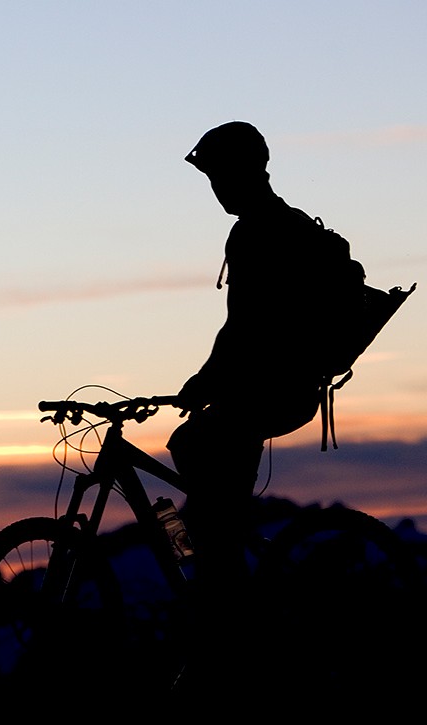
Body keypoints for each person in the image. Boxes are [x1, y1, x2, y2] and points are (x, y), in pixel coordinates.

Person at [167, 122, 344, 688]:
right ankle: (227, 563)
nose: (216, 190)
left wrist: (202, 381)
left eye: (219, 177)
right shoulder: (283, 224)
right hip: (283, 387)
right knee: (204, 472)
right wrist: (210, 380)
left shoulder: (257, 233)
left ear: (244, 172)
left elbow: (244, 327)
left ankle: (230, 621)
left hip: (271, 390)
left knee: (193, 448)